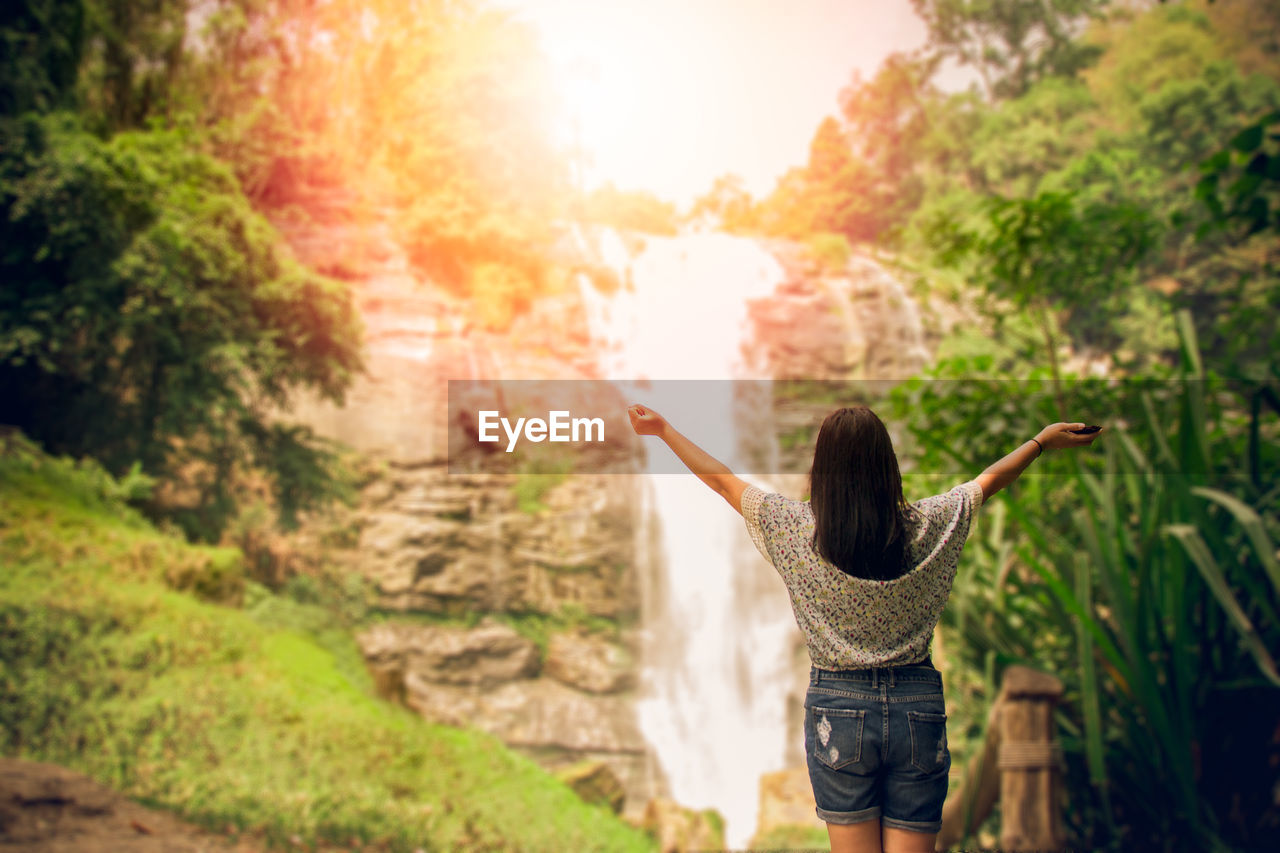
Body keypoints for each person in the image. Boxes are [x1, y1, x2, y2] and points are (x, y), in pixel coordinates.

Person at [626, 403, 1102, 853]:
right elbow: (987, 482)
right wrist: (1040, 442)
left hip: (839, 710)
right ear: (886, 466)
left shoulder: (792, 528)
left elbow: (724, 483)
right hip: (918, 706)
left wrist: (664, 431)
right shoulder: (929, 524)